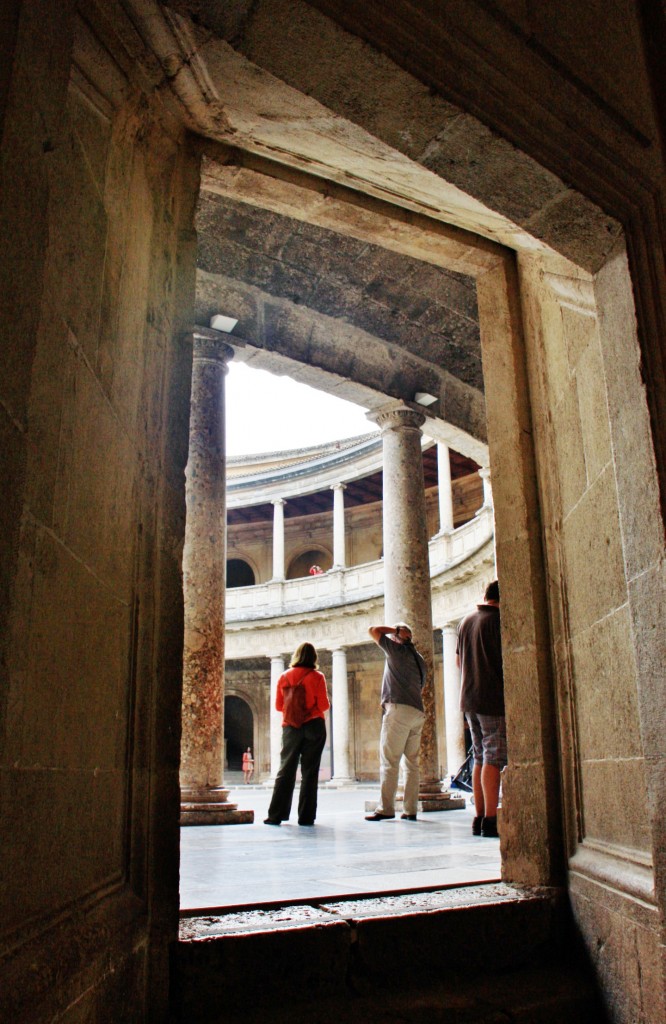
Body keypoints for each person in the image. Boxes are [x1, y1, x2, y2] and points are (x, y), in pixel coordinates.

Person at [456, 579, 505, 839]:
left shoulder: (465, 621)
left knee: (478, 755)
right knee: (493, 756)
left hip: (469, 698)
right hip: (491, 697)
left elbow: (458, 662)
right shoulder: (497, 621)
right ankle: (491, 819)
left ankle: (479, 817)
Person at [264, 642, 330, 827]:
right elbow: (324, 705)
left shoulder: (284, 676)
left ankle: (275, 815)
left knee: (286, 769)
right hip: (314, 726)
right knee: (310, 772)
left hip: (291, 727)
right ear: (314, 657)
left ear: (296, 656)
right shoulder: (317, 676)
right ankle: (306, 817)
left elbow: (279, 706)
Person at [365, 622, 426, 821]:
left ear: (398, 638)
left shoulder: (396, 651)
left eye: (394, 636)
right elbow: (421, 686)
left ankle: (386, 808)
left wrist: (396, 631)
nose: (390, 639)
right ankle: (410, 810)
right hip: (417, 712)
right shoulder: (420, 660)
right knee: (412, 764)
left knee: (389, 762)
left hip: (398, 710)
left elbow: (373, 630)